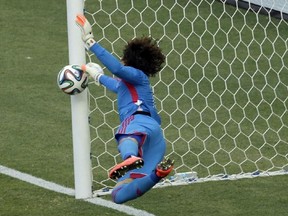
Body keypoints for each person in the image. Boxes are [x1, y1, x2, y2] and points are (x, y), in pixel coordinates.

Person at [76, 14, 174, 204]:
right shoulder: (131, 84)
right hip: (154, 142)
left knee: (124, 131)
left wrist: (90, 41)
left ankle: (130, 156)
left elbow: (118, 71)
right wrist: (95, 75)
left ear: (128, 59)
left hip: (139, 124)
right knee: (118, 195)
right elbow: (116, 84)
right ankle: (158, 174)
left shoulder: (138, 75)